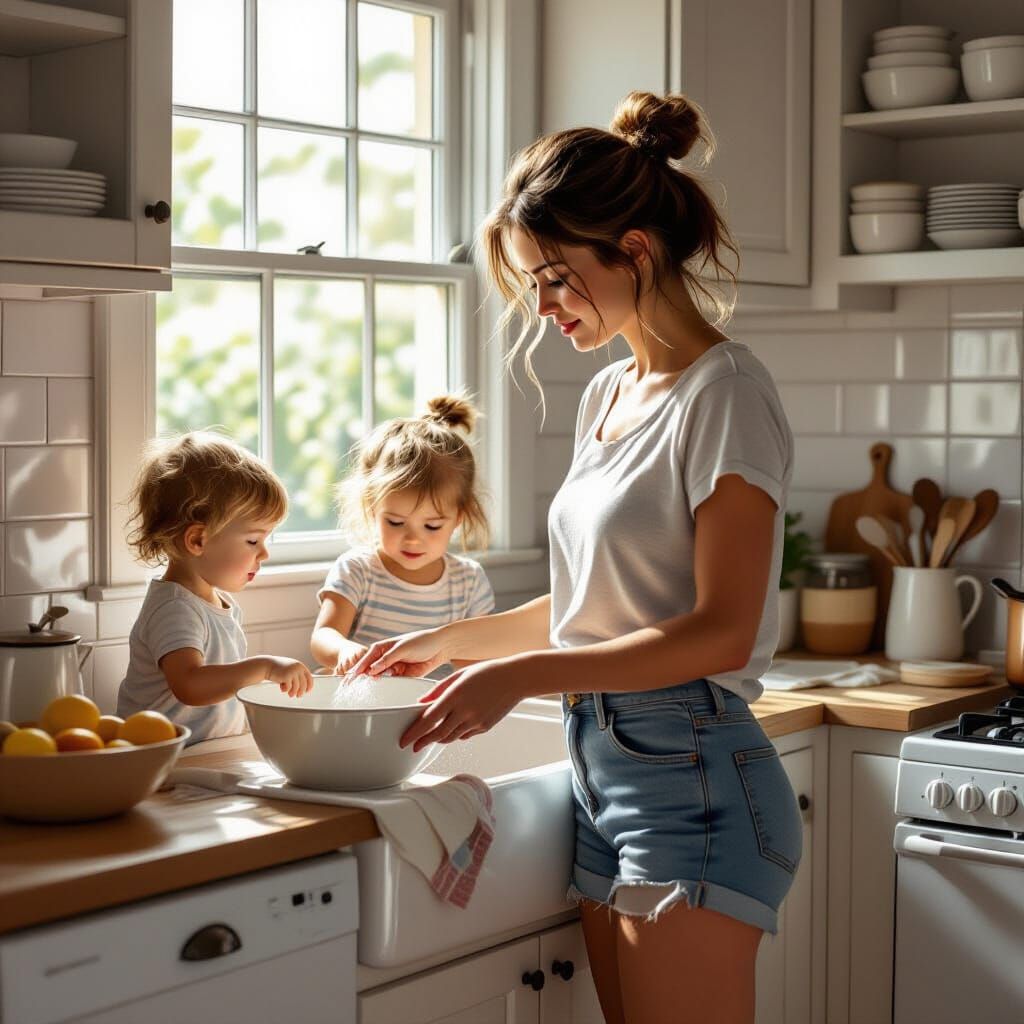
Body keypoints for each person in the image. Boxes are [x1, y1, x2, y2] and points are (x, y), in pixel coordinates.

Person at [348, 91, 802, 1024]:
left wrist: (521, 676)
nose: (544, 306)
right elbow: (595, 605)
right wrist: (444, 645)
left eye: (557, 277)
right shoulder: (608, 394)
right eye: (533, 283)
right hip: (605, 770)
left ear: (634, 250)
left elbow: (721, 632)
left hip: (696, 781)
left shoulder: (725, 396)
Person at [117, 431, 313, 743]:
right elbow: (191, 685)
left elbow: (222, 694)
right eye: (253, 540)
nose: (264, 553)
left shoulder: (217, 602)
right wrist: (264, 667)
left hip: (206, 753)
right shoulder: (175, 608)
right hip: (164, 760)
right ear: (197, 540)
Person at [311, 394, 494, 676]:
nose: (412, 539)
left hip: (436, 710)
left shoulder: (468, 582)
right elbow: (323, 637)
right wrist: (344, 650)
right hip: (367, 707)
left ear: (458, 516)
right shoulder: (359, 570)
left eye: (432, 526)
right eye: (395, 522)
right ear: (372, 507)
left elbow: (474, 664)